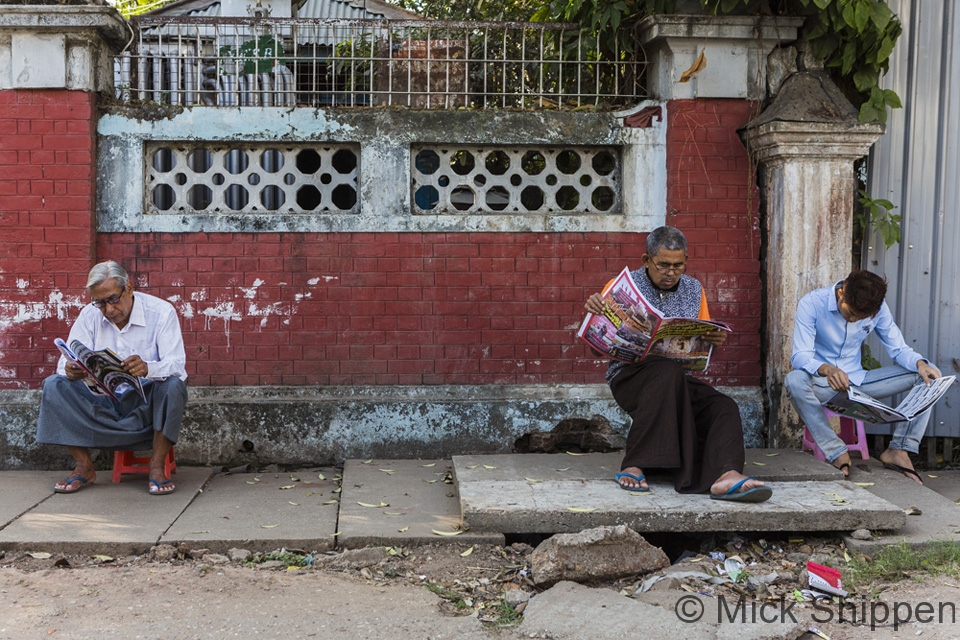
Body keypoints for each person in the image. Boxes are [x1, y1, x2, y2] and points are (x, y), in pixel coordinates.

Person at [584, 226, 771, 502]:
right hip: (629, 376)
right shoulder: (622, 286)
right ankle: (635, 463)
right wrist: (594, 318)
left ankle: (726, 475)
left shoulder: (695, 289)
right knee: (665, 371)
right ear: (646, 260)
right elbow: (595, 351)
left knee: (723, 406)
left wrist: (712, 342)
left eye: (678, 265)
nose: (671, 273)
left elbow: (699, 357)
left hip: (676, 378)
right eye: (663, 265)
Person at [36, 261, 188, 496]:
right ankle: (84, 466)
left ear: (129, 288)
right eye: (100, 303)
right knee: (54, 385)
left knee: (174, 386)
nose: (108, 310)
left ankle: (156, 466)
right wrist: (71, 369)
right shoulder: (89, 315)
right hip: (102, 401)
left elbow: (177, 365)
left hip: (144, 401)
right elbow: (64, 362)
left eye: (113, 299)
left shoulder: (161, 312)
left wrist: (148, 368)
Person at [786, 269, 940, 484]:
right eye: (850, 314)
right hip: (822, 384)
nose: (854, 320)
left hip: (858, 383)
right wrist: (828, 369)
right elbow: (800, 357)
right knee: (794, 379)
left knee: (929, 374)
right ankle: (836, 452)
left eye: (861, 318)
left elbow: (898, 348)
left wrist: (919, 363)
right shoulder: (811, 304)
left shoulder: (877, 309)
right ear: (841, 292)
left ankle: (899, 450)